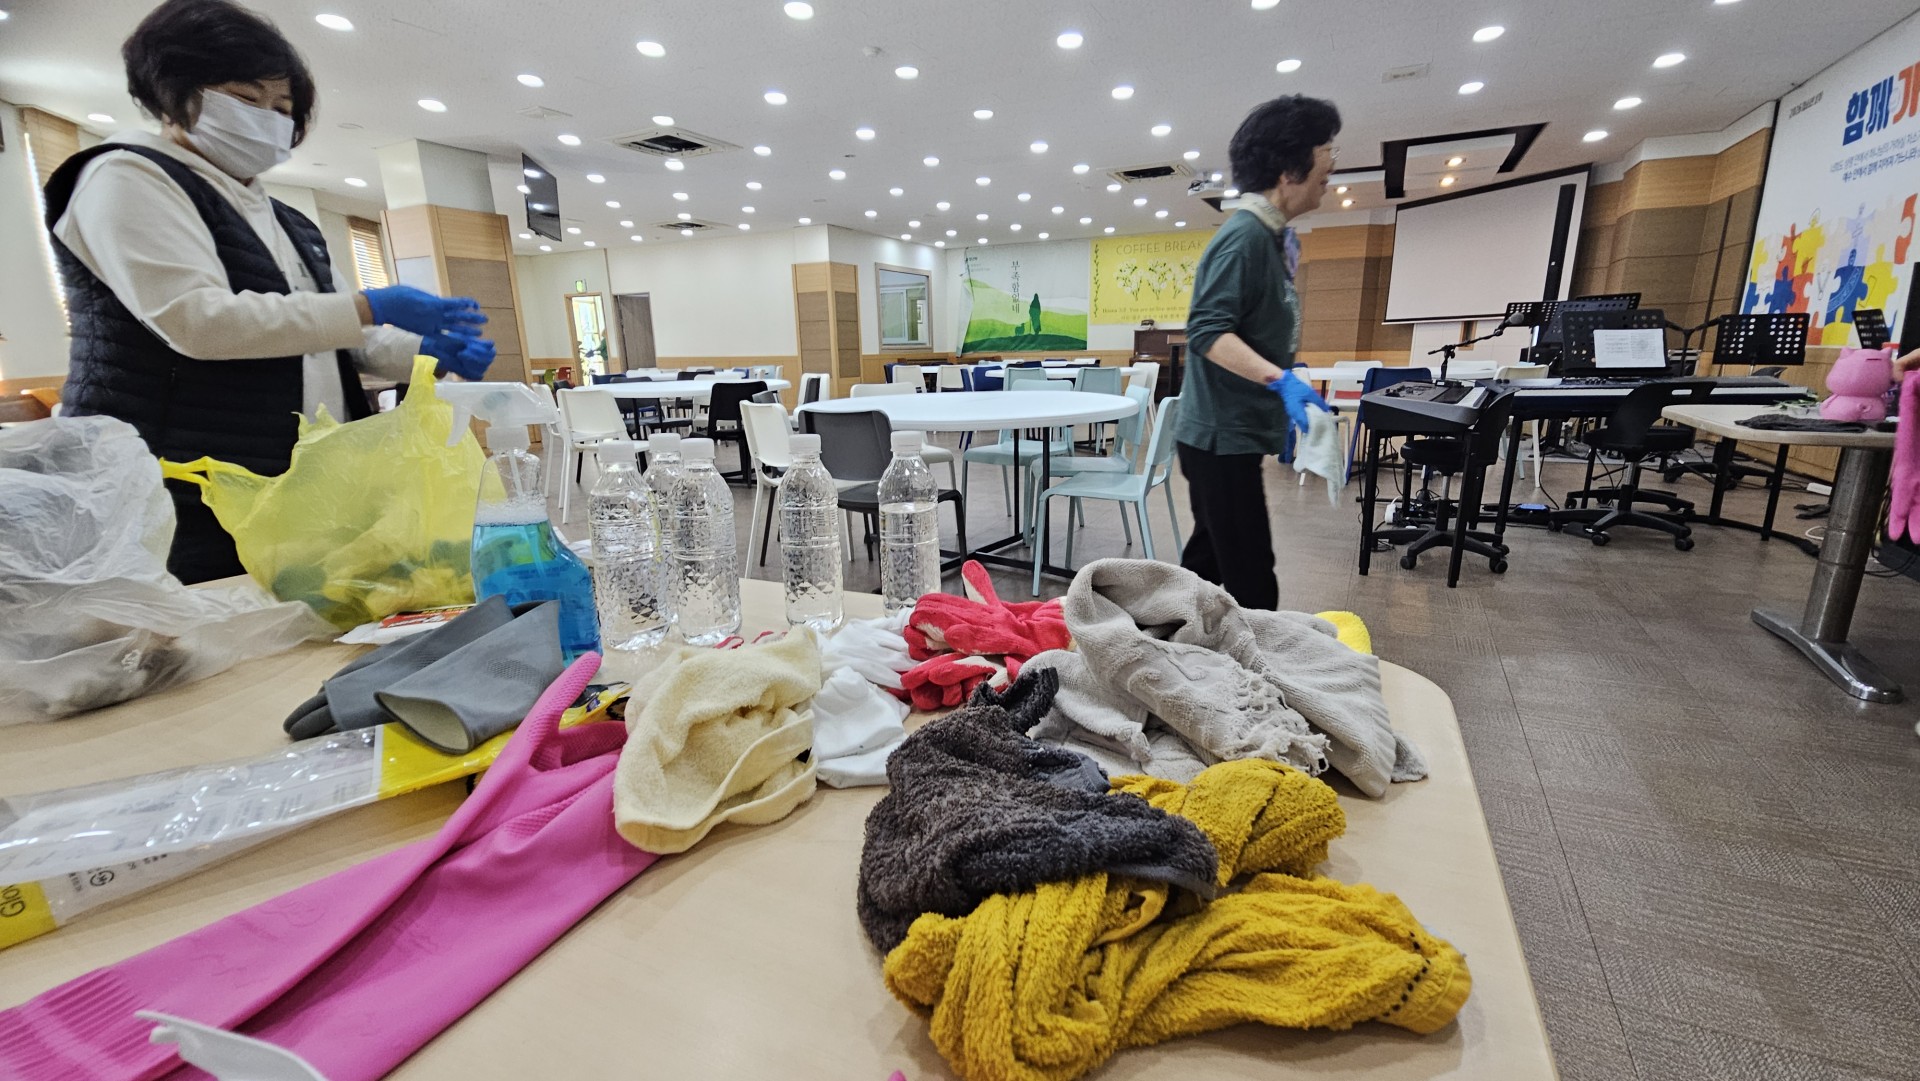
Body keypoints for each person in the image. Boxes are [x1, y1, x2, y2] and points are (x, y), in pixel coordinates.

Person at [44, 0, 496, 583]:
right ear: (173, 92)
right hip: (182, 474)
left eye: (282, 107)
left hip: (287, 473)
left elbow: (336, 339)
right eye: (245, 97)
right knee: (212, 616)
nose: (267, 118)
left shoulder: (286, 220)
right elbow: (199, 322)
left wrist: (427, 355)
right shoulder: (128, 177)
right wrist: (370, 304)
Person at [1174, 95, 1339, 610]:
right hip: (1218, 438)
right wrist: (1279, 379)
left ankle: (1154, 637)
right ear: (1289, 170)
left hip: (1229, 436)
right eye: (1325, 150)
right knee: (1252, 579)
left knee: (1207, 563)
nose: (1332, 164)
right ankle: (1261, 661)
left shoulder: (1269, 238)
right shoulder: (1243, 237)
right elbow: (1206, 330)